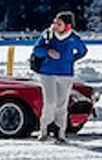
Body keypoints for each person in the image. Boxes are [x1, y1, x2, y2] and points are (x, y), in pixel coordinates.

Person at [30, 10, 88, 142]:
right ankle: (44, 129)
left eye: (59, 23)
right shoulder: (48, 35)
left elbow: (83, 51)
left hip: (65, 74)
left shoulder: (74, 38)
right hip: (48, 73)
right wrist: (47, 51)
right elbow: (36, 50)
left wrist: (70, 59)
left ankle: (60, 131)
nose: (55, 25)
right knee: (50, 102)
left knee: (62, 104)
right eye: (55, 22)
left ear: (67, 26)